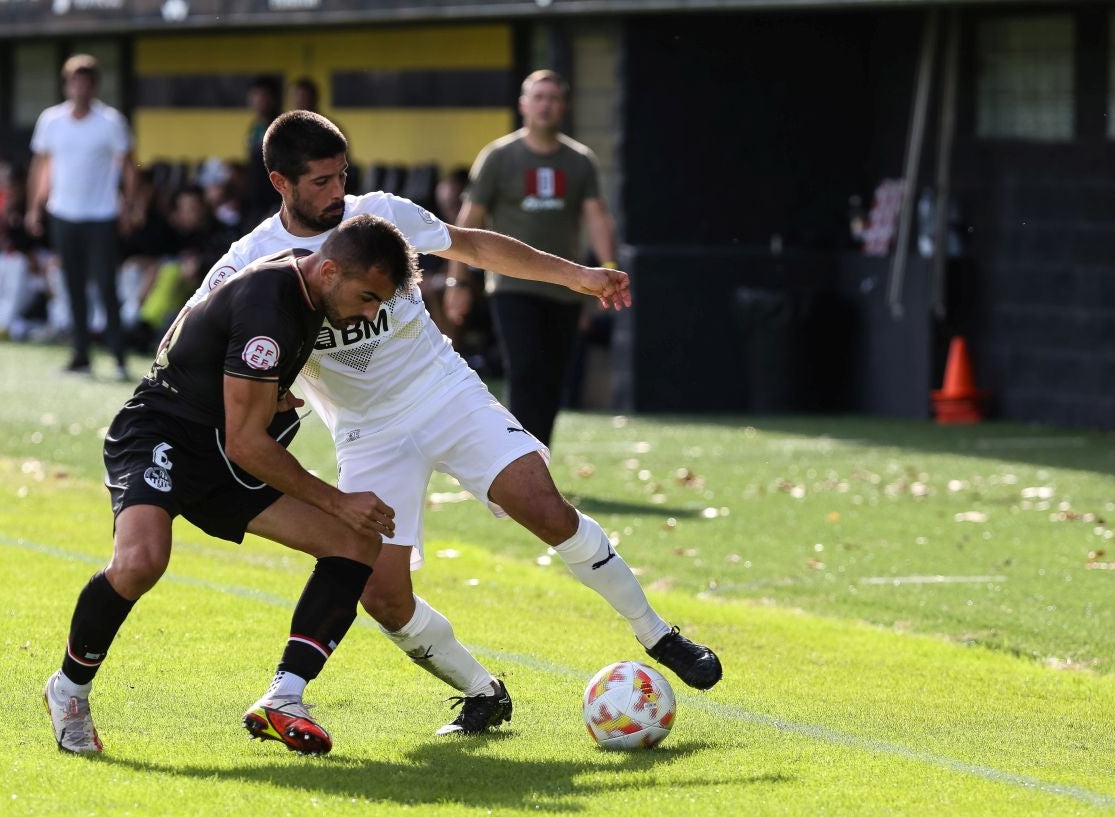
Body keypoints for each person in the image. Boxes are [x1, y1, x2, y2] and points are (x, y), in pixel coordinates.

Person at [188, 111, 722, 738]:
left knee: (543, 506)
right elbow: (197, 340)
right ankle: (482, 691)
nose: (337, 193)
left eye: (342, 177)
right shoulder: (248, 263)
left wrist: (577, 275)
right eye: (321, 182)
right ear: (280, 182)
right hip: (365, 429)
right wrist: (269, 391)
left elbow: (472, 243)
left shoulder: (380, 215)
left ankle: (657, 634)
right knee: (382, 595)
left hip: (445, 392)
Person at [43, 214, 415, 757]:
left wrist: (274, 402)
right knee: (142, 560)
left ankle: (285, 698)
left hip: (222, 450)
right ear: (330, 269)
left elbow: (240, 414)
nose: (369, 313)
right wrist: (338, 499)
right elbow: (247, 442)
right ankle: (69, 690)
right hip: (162, 433)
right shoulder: (271, 304)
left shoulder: (310, 293)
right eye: (366, 297)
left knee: (355, 542)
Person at [445, 69, 619, 448]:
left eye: (553, 98)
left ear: (564, 106)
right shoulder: (499, 157)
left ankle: (539, 459)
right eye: (538, 97)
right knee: (525, 372)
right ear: (524, 104)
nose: (546, 105)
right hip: (511, 286)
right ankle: (517, 462)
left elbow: (596, 216)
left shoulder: (580, 161)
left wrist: (607, 270)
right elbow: (468, 221)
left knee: (554, 378)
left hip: (566, 287)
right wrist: (458, 282)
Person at [26, 53, 135, 379]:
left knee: (105, 286)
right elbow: (42, 167)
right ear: (67, 85)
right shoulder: (51, 121)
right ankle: (81, 355)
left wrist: (128, 206)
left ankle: (117, 357)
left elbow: (129, 167)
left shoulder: (111, 121)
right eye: (75, 82)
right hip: (63, 214)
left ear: (94, 86)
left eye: (86, 82)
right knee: (71, 287)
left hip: (100, 215)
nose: (80, 88)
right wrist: (35, 207)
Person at [243, 76, 282, 230]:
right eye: (254, 95)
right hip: (253, 198)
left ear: (273, 98)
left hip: (272, 200)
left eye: (262, 95)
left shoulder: (280, 126)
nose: (257, 100)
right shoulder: (255, 127)